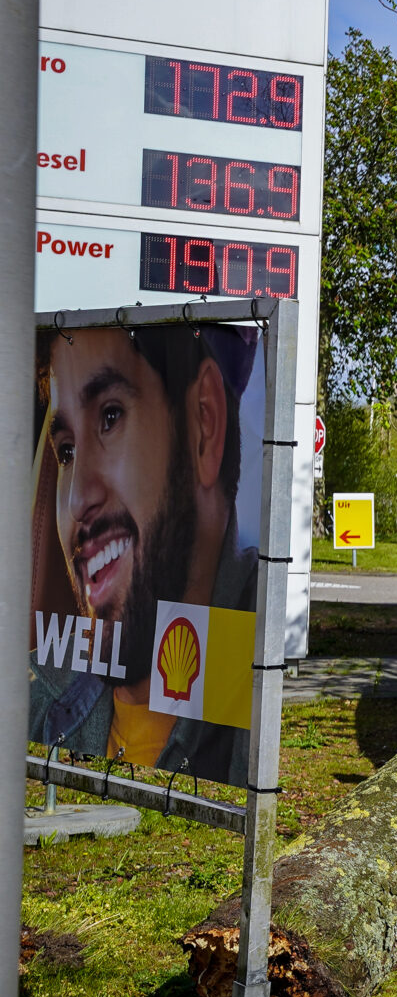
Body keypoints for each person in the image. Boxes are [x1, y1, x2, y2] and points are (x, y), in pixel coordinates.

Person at [31, 324, 257, 785]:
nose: (76, 500)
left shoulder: (254, 672)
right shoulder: (37, 695)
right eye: (68, 451)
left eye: (110, 417)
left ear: (203, 423)